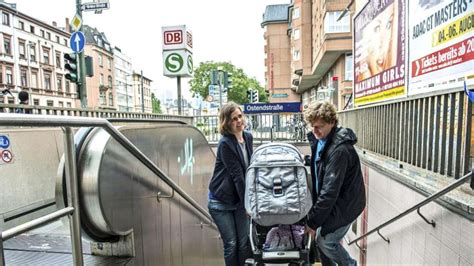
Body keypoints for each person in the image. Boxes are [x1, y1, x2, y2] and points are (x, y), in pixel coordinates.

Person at [304, 101, 366, 266]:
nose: (315, 131)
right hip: (334, 202)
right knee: (321, 241)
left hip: (345, 204)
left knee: (325, 242)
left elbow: (329, 192)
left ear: (332, 122)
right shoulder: (323, 139)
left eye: (319, 126)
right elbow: (323, 161)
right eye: (312, 126)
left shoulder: (340, 151)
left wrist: (312, 222)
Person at [208, 102, 253, 266]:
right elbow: (238, 176)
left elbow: (250, 169)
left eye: (240, 116)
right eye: (234, 119)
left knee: (244, 242)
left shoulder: (248, 137)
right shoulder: (225, 144)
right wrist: (248, 204)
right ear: (226, 122)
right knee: (232, 244)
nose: (239, 121)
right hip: (221, 201)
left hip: (239, 199)